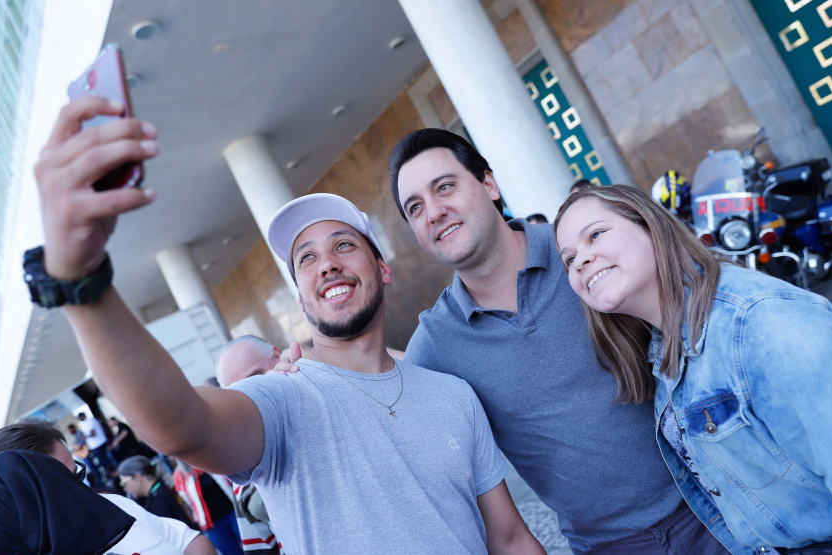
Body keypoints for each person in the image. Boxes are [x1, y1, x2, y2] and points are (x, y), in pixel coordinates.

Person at [30, 96, 544, 554]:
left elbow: (510, 538)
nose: (327, 264)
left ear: (382, 269)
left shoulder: (452, 394)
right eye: (306, 258)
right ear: (301, 298)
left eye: (344, 245)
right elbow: (181, 424)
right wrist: (81, 282)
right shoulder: (283, 398)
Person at [387, 128, 732, 553]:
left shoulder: (581, 251)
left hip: (716, 508)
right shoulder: (436, 345)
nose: (434, 212)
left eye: (444, 187)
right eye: (415, 207)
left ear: (489, 184)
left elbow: (709, 309)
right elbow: (385, 412)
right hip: (605, 546)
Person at [553, 184, 832, 553]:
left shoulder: (760, 323)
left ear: (650, 225)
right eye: (568, 259)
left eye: (595, 235)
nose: (580, 260)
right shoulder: (662, 349)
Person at [0, 419, 216, 555]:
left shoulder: (111, 505)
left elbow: (189, 540)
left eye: (78, 474)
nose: (79, 488)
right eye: (64, 478)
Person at [215, 337, 283, 555]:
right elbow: (261, 546)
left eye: (256, 377)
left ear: (277, 354)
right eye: (240, 391)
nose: (254, 394)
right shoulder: (243, 466)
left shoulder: (328, 394)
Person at [173, 458, 244, 555]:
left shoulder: (209, 458)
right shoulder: (180, 475)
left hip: (235, 513)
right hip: (213, 526)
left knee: (255, 546)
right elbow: (186, 504)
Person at [119, 455, 198, 529]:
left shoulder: (159, 500)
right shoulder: (159, 492)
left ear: (138, 477)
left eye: (124, 483)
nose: (125, 489)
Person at [78, 411, 117, 481]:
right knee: (104, 460)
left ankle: (114, 474)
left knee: (104, 461)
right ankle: (113, 473)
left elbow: (93, 434)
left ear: (82, 416)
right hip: (98, 444)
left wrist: (85, 437)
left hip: (98, 444)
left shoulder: (89, 421)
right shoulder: (89, 422)